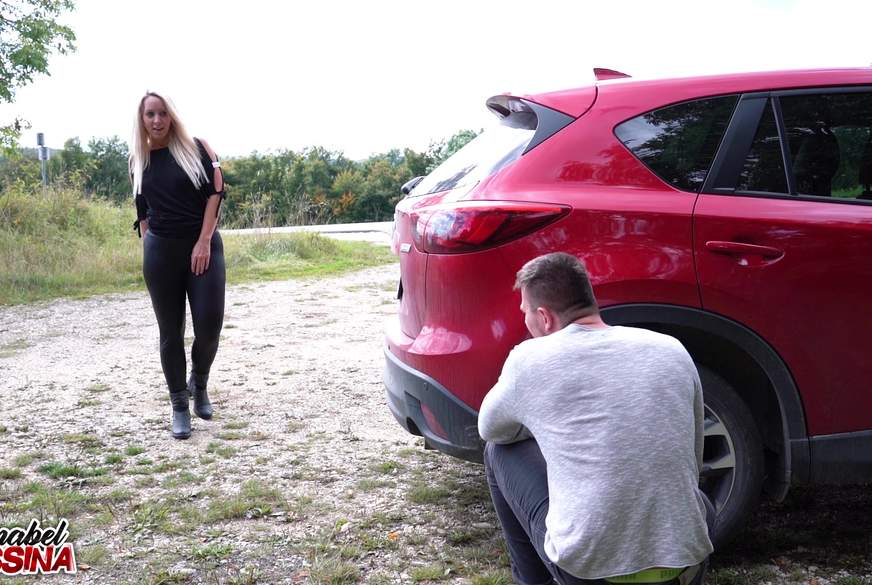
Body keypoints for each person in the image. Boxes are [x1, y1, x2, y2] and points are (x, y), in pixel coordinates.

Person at [478, 252, 714, 585]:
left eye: (525, 312)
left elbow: (490, 428)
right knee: (695, 499)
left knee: (499, 451)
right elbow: (693, 458)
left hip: (589, 571)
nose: (525, 321)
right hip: (683, 561)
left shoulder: (531, 358)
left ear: (544, 317)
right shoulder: (671, 349)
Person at [130, 91, 226, 440]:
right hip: (161, 253)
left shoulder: (198, 148)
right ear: (142, 120)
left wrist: (203, 241)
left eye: (162, 113)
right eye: (150, 114)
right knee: (170, 333)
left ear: (172, 116)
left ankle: (198, 382)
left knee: (209, 327)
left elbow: (216, 193)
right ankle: (179, 405)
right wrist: (150, 248)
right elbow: (142, 211)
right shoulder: (138, 160)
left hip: (203, 248)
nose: (157, 120)